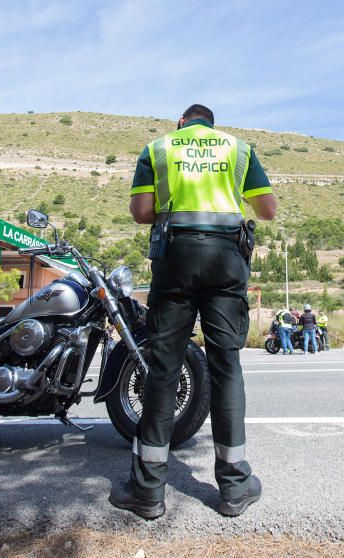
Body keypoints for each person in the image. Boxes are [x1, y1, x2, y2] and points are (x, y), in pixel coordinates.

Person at [112, 104, 277, 519]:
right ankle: (235, 486)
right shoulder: (239, 149)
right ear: (211, 124)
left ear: (182, 122)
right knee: (226, 367)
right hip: (226, 261)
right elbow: (267, 209)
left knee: (164, 368)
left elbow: (140, 214)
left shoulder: (158, 148)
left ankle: (148, 491)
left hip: (176, 260)